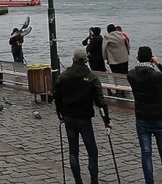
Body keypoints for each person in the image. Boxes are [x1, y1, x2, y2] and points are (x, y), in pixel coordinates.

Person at [54, 49, 112, 184]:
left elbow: (57, 96)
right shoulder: (91, 78)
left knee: (73, 151)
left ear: (73, 60)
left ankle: (78, 181)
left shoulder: (64, 76)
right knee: (92, 151)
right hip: (84, 118)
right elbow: (100, 101)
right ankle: (94, 181)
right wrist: (106, 120)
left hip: (69, 117)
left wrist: (60, 113)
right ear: (86, 61)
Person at [127, 46, 162, 184]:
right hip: (158, 117)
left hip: (142, 118)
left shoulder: (131, 75)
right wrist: (158, 64)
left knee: (146, 153)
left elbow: (139, 71)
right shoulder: (156, 75)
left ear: (137, 58)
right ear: (151, 58)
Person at [102, 24, 130, 96]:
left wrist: (105, 58)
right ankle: (124, 90)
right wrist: (127, 52)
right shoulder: (122, 35)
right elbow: (127, 43)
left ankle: (118, 91)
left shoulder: (107, 37)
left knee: (115, 76)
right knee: (124, 75)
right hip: (124, 58)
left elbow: (103, 49)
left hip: (113, 60)